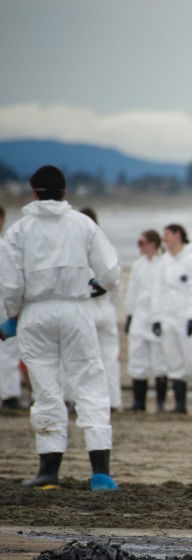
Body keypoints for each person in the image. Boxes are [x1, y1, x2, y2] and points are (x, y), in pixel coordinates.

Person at [0, 165, 121, 491]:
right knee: (90, 384)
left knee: (46, 390)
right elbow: (111, 271)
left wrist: (13, 316)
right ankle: (100, 473)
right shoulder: (83, 224)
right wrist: (97, 285)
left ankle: (48, 472)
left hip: (34, 312)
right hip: (75, 308)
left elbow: (10, 284)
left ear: (33, 192)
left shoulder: (18, 231)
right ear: (65, 192)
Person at [66, 207, 122, 411]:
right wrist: (111, 304)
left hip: (85, 306)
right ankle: (112, 401)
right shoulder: (108, 247)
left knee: (78, 357)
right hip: (104, 306)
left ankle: (74, 400)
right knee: (109, 357)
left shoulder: (72, 248)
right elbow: (116, 281)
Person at [155, 224, 192, 416]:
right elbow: (159, 292)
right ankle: (180, 405)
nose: (164, 240)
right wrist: (157, 318)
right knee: (173, 361)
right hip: (168, 317)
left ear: (178, 235)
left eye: (167, 236)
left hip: (187, 317)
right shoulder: (164, 261)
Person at [125, 229, 169, 412]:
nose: (139, 247)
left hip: (158, 315)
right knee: (137, 357)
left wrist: (161, 317)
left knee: (159, 359)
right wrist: (129, 314)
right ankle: (139, 402)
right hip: (140, 315)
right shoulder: (138, 265)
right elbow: (133, 291)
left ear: (152, 243)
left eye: (142, 242)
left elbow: (165, 292)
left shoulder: (164, 264)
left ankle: (160, 403)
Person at [0, 205, 24, 412]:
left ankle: (8, 394)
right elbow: (11, 283)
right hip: (4, 303)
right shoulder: (5, 247)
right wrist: (14, 311)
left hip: (4, 302)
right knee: (8, 351)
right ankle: (8, 395)